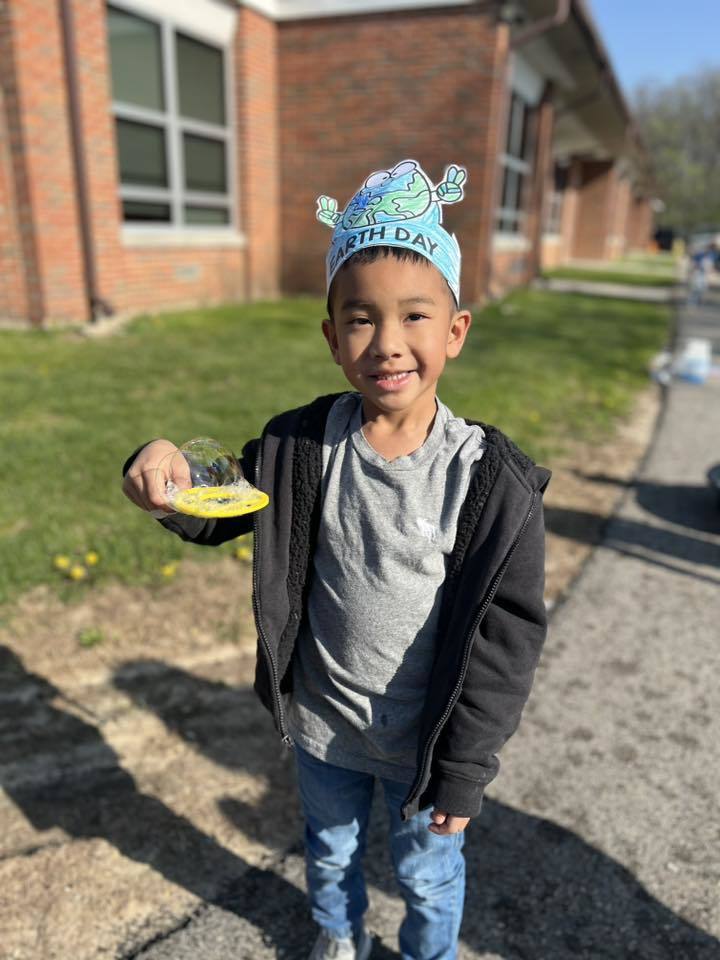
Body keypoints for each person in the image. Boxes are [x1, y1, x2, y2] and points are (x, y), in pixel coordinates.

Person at [122, 159, 550, 960]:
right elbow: (220, 501)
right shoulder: (301, 445)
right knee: (330, 851)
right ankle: (338, 932)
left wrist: (465, 769)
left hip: (425, 749)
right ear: (331, 337)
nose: (387, 343)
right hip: (324, 729)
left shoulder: (490, 482)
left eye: (415, 315)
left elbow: (507, 643)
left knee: (427, 877)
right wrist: (159, 471)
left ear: (455, 331)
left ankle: (428, 953)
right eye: (359, 319)